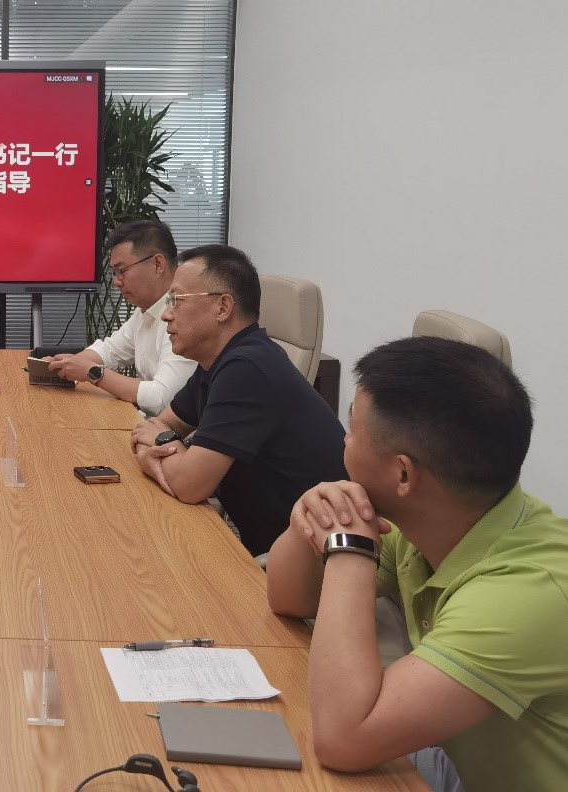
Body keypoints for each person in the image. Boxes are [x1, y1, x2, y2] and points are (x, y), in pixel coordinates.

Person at [266, 337, 568, 792]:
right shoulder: (436, 518)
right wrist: (310, 515)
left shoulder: (526, 594)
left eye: (352, 428)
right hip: (455, 753)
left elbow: (343, 740)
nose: (343, 440)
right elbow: (289, 598)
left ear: (403, 474)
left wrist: (348, 546)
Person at [129, 244, 345, 556]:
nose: (166, 314)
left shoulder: (246, 369)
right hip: (270, 547)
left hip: (309, 559)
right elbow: (160, 423)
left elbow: (189, 483)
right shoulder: (217, 361)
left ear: (222, 307)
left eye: (177, 300)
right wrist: (166, 445)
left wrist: (159, 446)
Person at [48, 220, 196, 416]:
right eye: (114, 273)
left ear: (158, 264)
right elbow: (110, 350)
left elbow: (162, 398)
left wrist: (93, 372)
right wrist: (67, 363)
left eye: (122, 271)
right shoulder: (145, 310)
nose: (116, 282)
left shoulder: (187, 315)